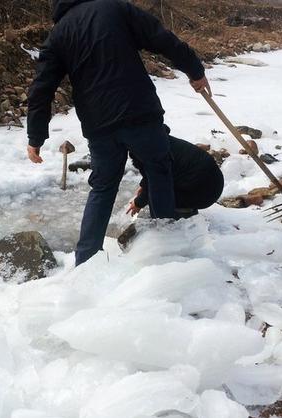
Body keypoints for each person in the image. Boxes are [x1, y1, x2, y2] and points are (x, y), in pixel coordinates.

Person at [26, 0, 211, 266]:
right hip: (139, 111)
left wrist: (35, 136)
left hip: (99, 125)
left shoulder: (58, 35)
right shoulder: (114, 8)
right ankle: (166, 251)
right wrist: (194, 70)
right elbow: (161, 38)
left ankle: (86, 263)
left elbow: (41, 88)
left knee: (102, 187)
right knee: (158, 170)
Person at [127, 127, 224, 219]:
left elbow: (157, 181)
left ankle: (177, 221)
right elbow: (154, 170)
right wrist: (144, 185)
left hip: (204, 191)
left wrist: (139, 202)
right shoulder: (155, 137)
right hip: (207, 183)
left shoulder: (148, 147)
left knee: (157, 197)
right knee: (154, 192)